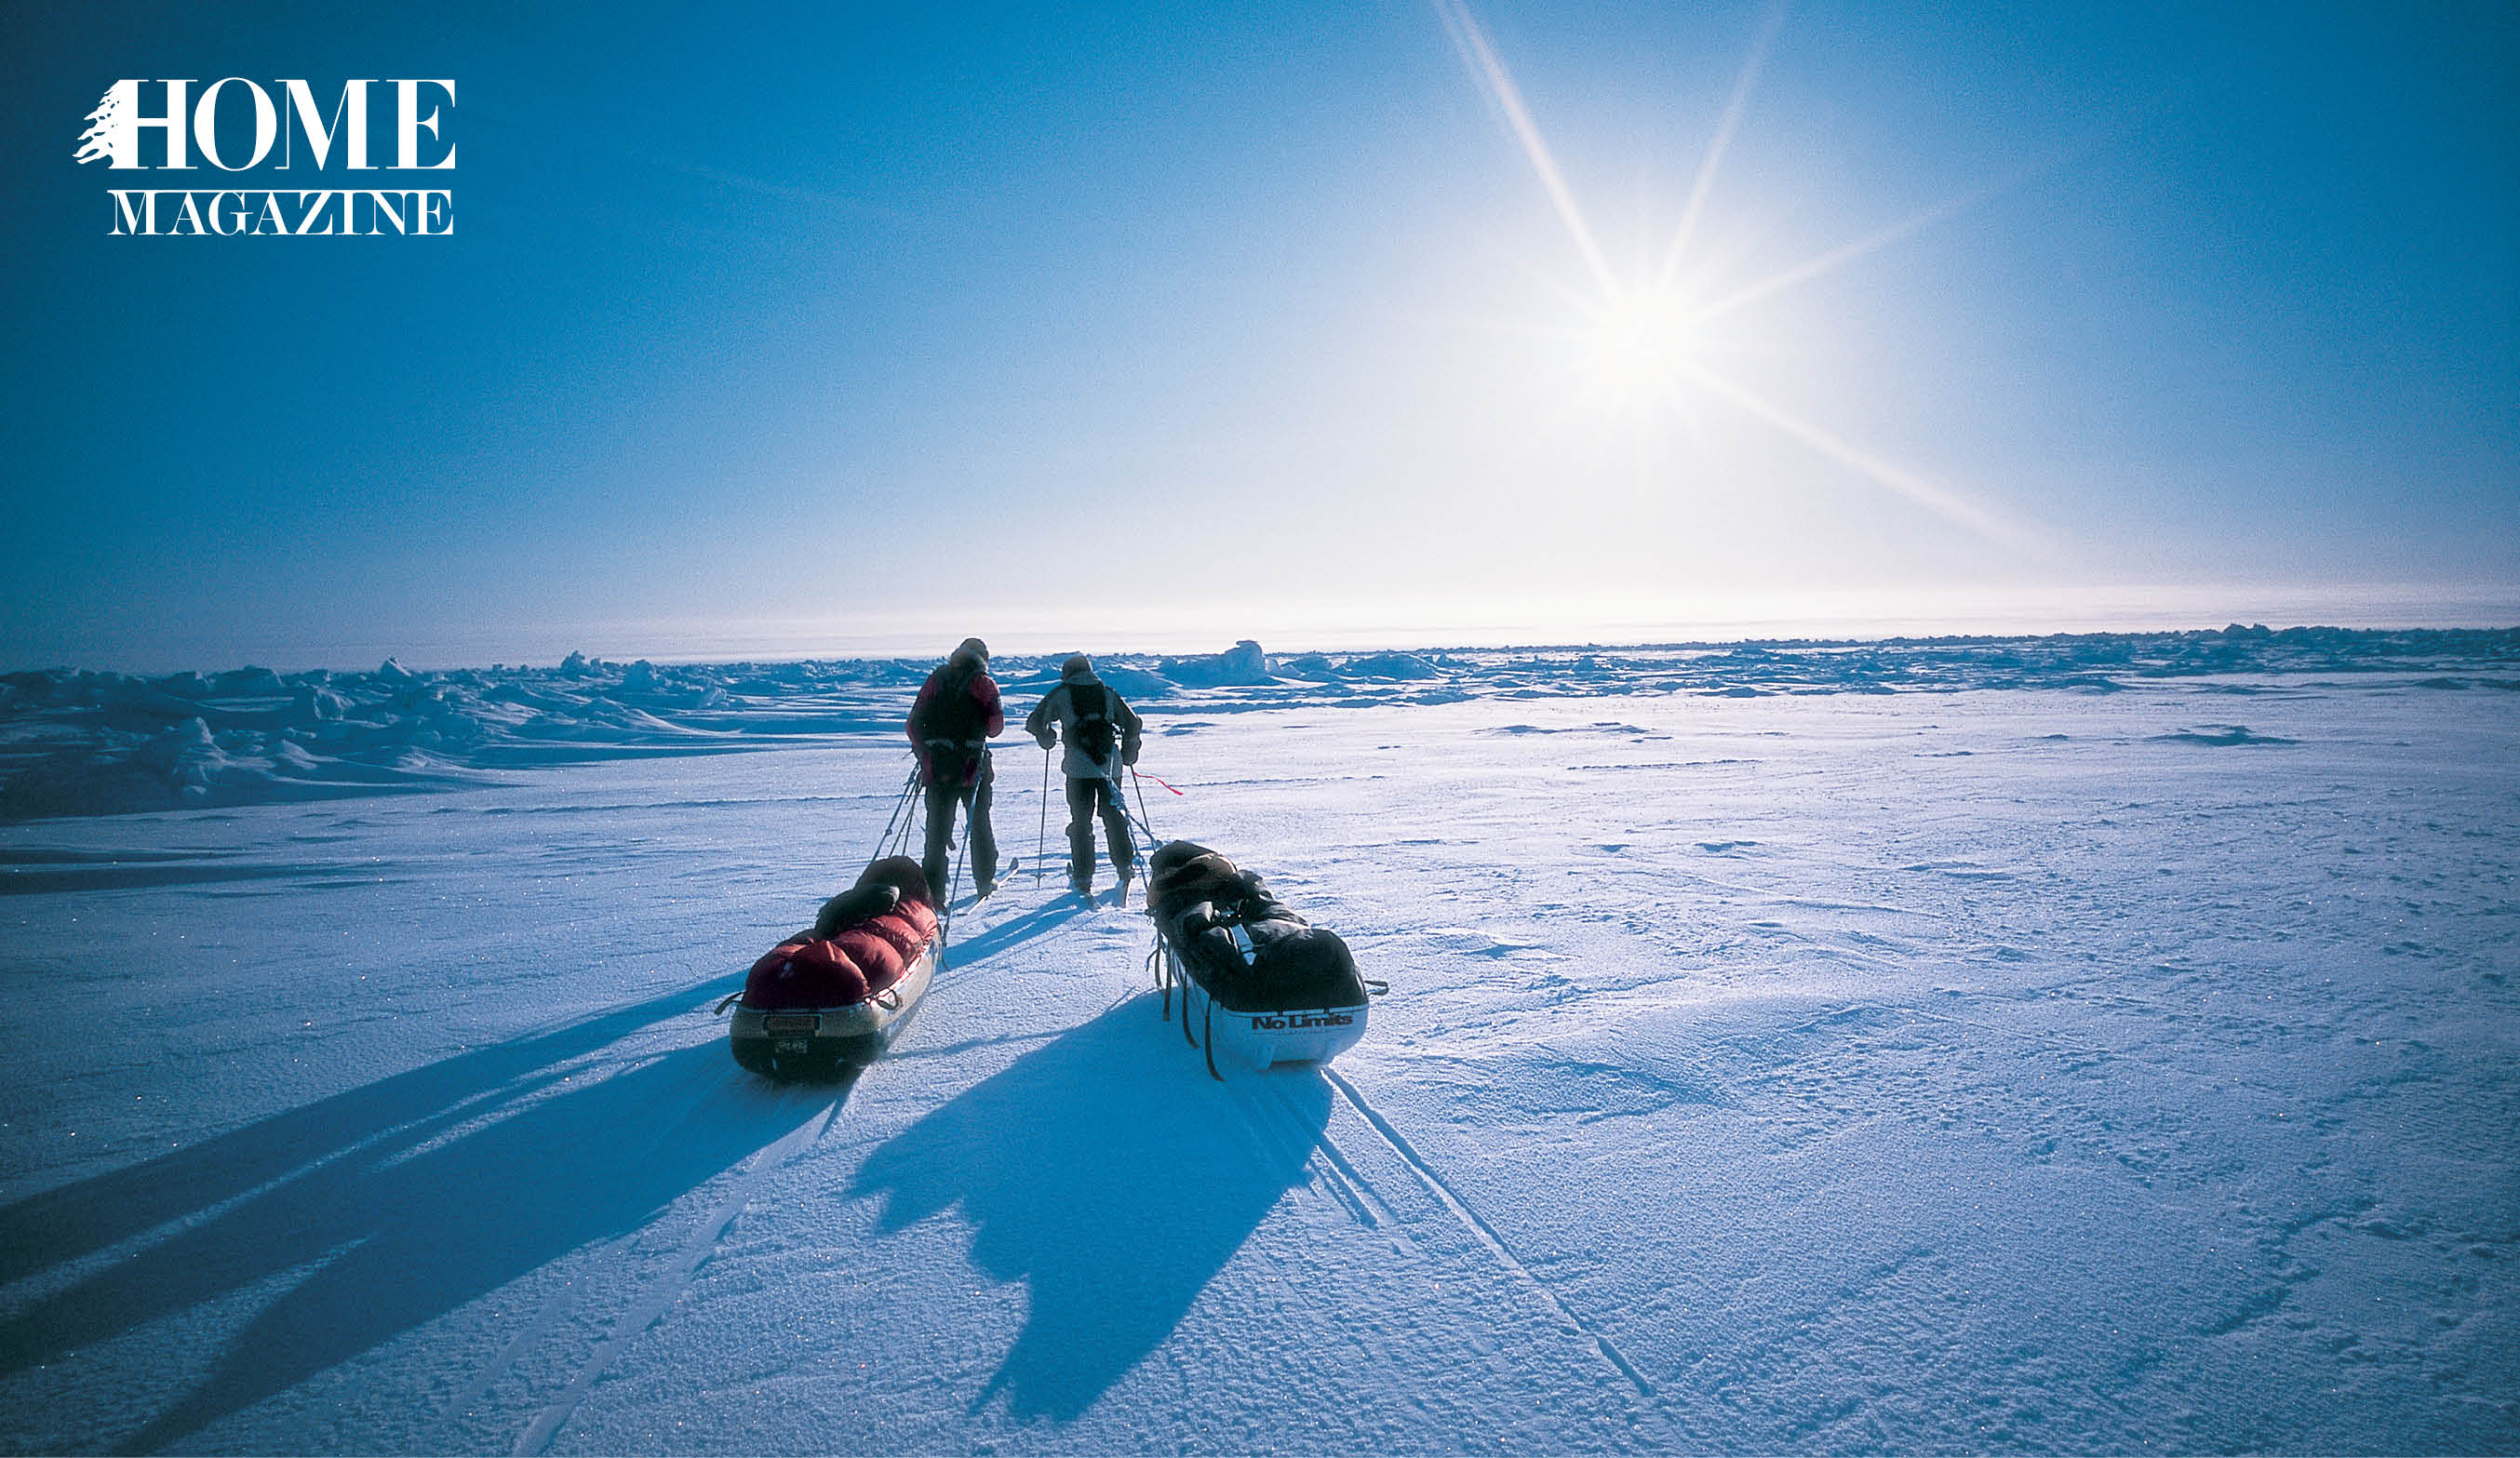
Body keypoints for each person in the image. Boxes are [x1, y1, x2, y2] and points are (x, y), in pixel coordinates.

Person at [1025, 653, 1145, 894]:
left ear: (1067, 672)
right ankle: (1124, 866)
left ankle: (1083, 876)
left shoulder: (1061, 692)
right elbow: (1133, 723)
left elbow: (1035, 721)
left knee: (1081, 820)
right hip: (1111, 766)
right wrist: (1129, 751)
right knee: (1113, 814)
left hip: (1078, 767)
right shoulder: (1108, 693)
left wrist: (1047, 737)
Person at [906, 637, 1003, 897]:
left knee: (937, 829)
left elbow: (913, 723)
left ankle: (933, 892)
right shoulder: (984, 684)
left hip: (936, 768)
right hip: (973, 767)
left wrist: (924, 753)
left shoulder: (935, 680)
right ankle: (984, 881)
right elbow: (995, 728)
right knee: (979, 823)